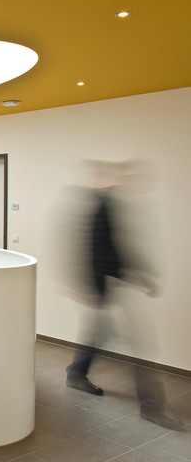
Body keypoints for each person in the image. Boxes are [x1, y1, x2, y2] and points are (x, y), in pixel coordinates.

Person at [59, 160, 182, 430]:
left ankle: (76, 374)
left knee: (100, 335)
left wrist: (137, 274)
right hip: (102, 286)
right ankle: (152, 407)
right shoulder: (102, 206)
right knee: (139, 345)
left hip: (109, 285)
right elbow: (93, 248)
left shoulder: (111, 204)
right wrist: (88, 286)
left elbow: (114, 247)